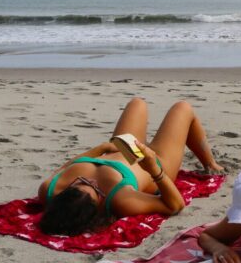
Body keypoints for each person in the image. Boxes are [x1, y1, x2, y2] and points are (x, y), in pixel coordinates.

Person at [38, 98, 223, 235]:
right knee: (183, 108)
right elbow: (175, 205)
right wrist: (154, 169)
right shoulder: (120, 200)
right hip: (155, 162)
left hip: (123, 148)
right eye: (96, 188)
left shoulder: (50, 189)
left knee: (137, 103)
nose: (93, 180)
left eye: (82, 181)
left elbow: (66, 167)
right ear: (99, 207)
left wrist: (100, 149)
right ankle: (210, 163)